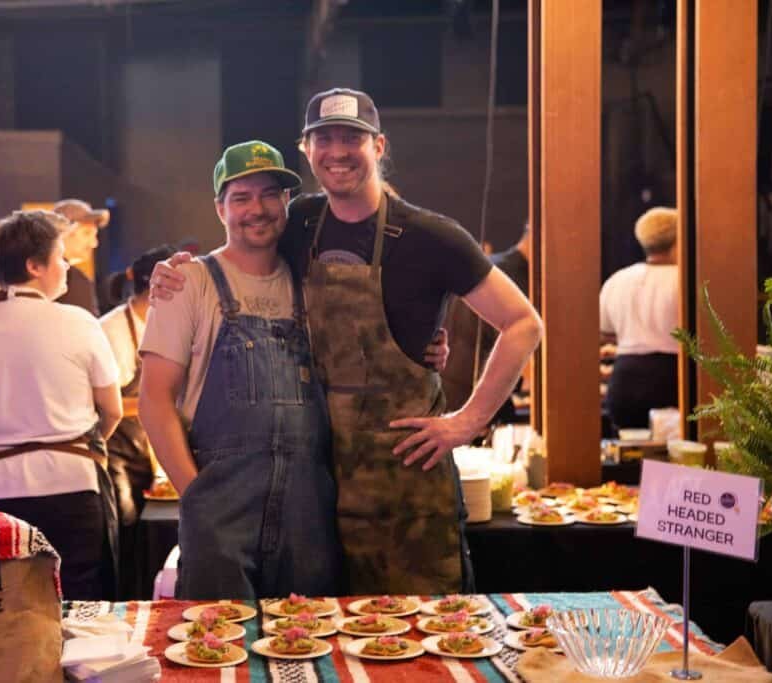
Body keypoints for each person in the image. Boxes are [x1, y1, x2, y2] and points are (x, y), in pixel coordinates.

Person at [149, 88, 542, 595]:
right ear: (307, 150)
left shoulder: (432, 236)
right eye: (324, 139)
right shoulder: (299, 226)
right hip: (318, 504)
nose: (338, 151)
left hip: (405, 495)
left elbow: (523, 323)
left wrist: (466, 422)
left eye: (352, 137)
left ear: (378, 145)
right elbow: (243, 242)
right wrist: (171, 272)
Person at [138, 141, 341, 600]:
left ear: (286, 201)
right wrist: (196, 496)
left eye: (270, 194)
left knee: (306, 648)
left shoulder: (311, 285)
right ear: (219, 208)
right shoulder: (188, 282)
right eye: (242, 197)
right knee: (217, 656)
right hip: (220, 513)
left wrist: (430, 346)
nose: (258, 209)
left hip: (307, 515)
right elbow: (153, 400)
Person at [0, 210, 123, 600]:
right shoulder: (78, 322)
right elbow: (113, 411)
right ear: (34, 265)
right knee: (78, 605)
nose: (66, 268)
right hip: (69, 485)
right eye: (61, 258)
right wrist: (87, 444)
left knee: (4, 606)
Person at [99, 243, 175, 598]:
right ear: (155, 285)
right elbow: (105, 404)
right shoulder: (113, 329)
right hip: (117, 449)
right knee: (128, 530)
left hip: (152, 445)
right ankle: (128, 602)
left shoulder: (168, 323)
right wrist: (158, 402)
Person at [443, 221, 532, 422]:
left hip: (458, 391)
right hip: (470, 398)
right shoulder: (507, 274)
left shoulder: (495, 268)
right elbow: (514, 338)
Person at [600, 206, 679, 432]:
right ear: (678, 239)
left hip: (625, 380)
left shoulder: (619, 280)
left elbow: (605, 332)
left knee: (630, 459)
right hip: (672, 379)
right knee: (671, 458)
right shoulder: (687, 279)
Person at [53, 199, 110, 316]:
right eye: (86, 233)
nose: (94, 243)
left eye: (95, 235)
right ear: (64, 233)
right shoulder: (73, 279)